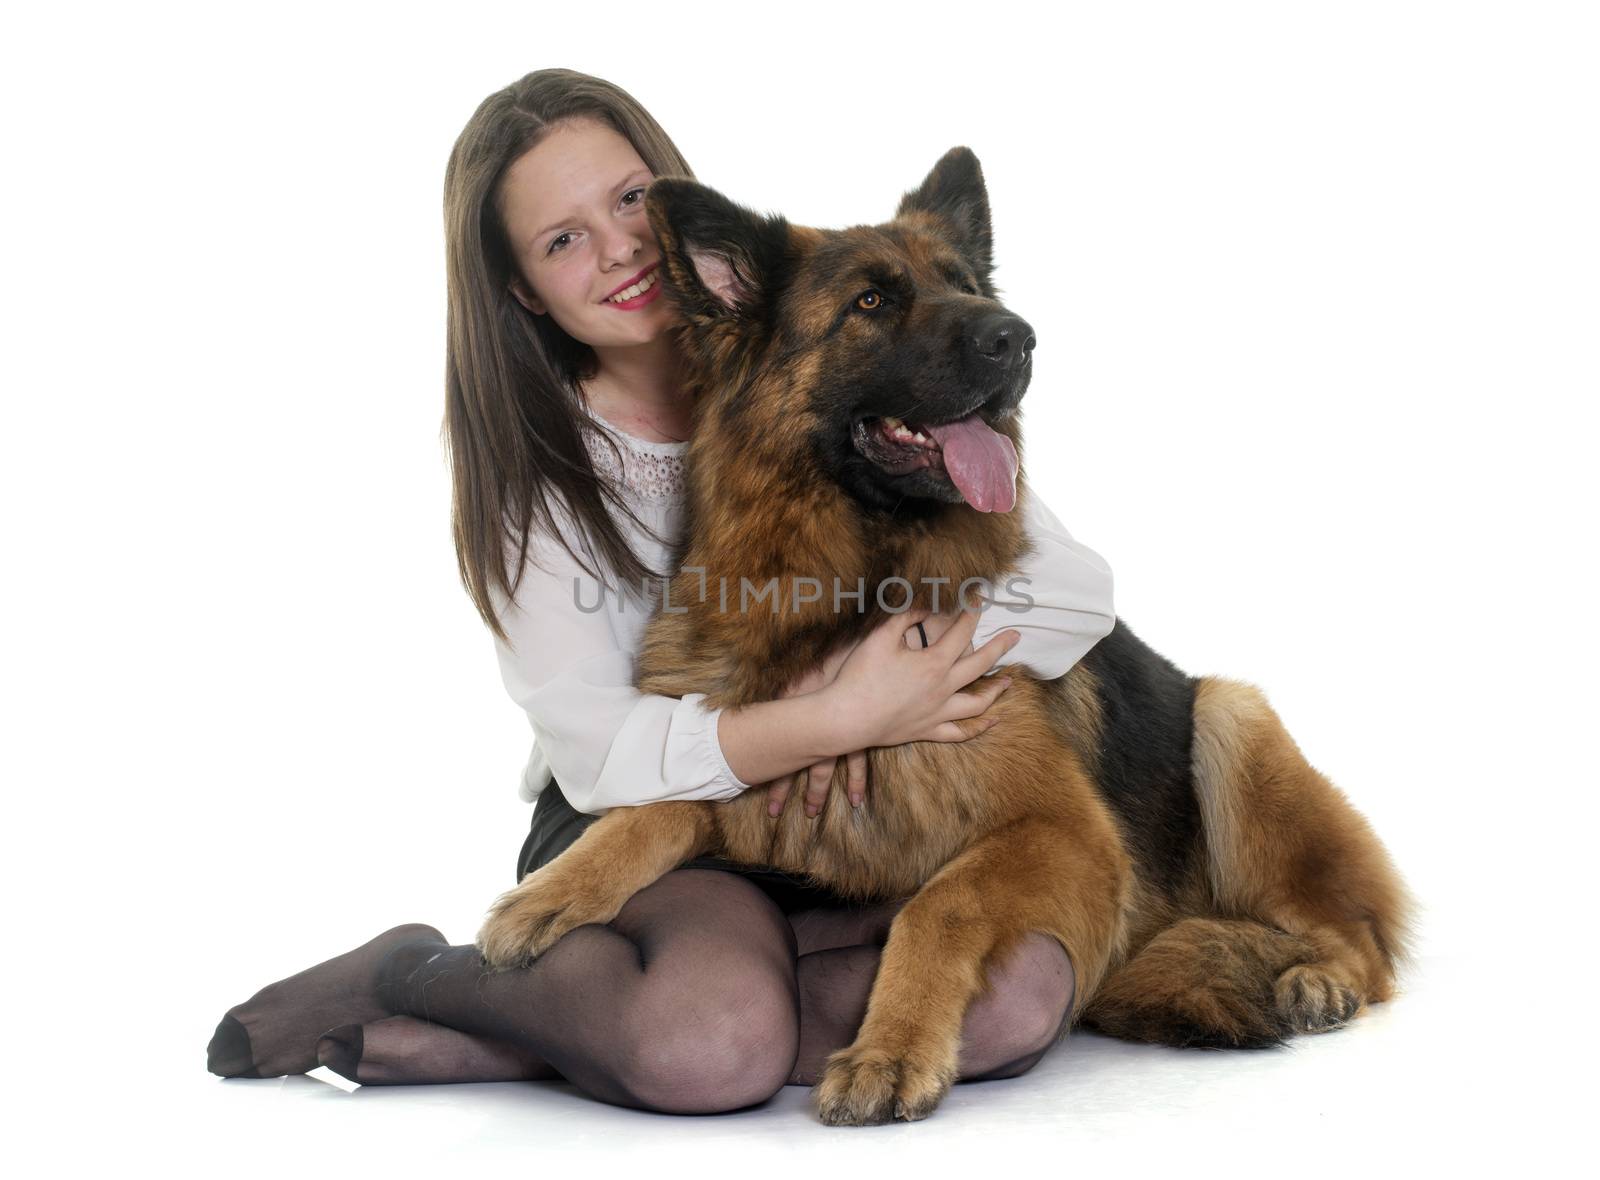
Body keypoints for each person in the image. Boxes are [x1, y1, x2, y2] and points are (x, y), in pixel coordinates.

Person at [206, 68, 1118, 1115]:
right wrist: (829, 716)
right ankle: (411, 973)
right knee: (708, 1046)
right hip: (648, 809)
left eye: (630, 201)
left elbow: (1071, 591)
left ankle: (550, 1036)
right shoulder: (539, 472)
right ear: (521, 289)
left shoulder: (818, 360)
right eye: (562, 240)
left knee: (1011, 1004)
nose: (621, 248)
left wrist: (906, 653)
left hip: (835, 819)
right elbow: (601, 753)